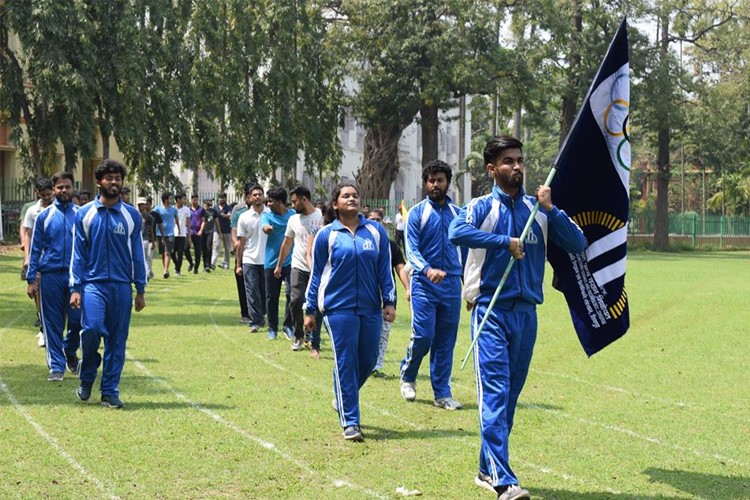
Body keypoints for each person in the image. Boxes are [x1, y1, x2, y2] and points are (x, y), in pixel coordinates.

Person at [449, 136, 586, 500]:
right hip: (490, 313)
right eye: (508, 161)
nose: (517, 167)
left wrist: (552, 209)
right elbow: (456, 232)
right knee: (494, 395)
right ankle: (504, 481)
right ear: (492, 169)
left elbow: (578, 242)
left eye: (520, 160)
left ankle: (485, 467)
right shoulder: (479, 206)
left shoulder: (538, 208)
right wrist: (504, 242)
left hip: (527, 317)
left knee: (507, 401)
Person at [304, 182, 396, 442]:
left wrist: (389, 301)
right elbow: (317, 275)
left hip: (370, 308)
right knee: (346, 361)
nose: (352, 199)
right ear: (335, 204)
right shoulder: (326, 235)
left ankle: (343, 397)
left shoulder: (375, 232)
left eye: (355, 195)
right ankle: (351, 422)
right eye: (346, 196)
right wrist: (311, 309)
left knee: (368, 359)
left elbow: (384, 270)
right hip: (337, 308)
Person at [70, 159, 147, 409]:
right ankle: (87, 374)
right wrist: (75, 288)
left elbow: (137, 254)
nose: (114, 182)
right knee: (91, 329)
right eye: (109, 178)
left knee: (117, 340)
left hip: (122, 287)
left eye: (118, 178)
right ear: (99, 182)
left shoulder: (131, 216)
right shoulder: (84, 214)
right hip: (93, 285)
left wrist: (140, 289)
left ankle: (110, 391)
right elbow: (78, 254)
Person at [399, 160, 464, 411]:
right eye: (431, 180)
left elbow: (467, 251)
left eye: (440, 180)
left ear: (448, 182)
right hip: (423, 285)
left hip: (451, 287)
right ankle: (408, 376)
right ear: (425, 183)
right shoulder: (416, 213)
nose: (435, 184)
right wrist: (427, 269)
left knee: (446, 341)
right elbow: (411, 250)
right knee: (424, 335)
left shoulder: (459, 215)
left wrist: (469, 287)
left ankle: (442, 393)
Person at [26, 171, 81, 381]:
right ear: (54, 189)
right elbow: (35, 249)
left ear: (72, 188)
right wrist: (32, 279)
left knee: (78, 321)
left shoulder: (81, 214)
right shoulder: (43, 217)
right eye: (60, 187)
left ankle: (69, 351)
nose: (64, 190)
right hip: (50, 276)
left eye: (67, 187)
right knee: (52, 322)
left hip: (75, 277)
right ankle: (56, 367)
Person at [274, 186, 323, 355]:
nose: (292, 205)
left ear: (304, 199)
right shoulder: (293, 220)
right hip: (299, 266)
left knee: (316, 304)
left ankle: (313, 337)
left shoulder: (321, 217)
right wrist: (279, 265)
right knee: (295, 299)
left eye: (295, 201)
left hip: (318, 267)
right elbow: (287, 243)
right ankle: (298, 335)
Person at [366, 209, 410, 378]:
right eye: (372, 219)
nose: (376, 222)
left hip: (387, 295)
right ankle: (363, 363)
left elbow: (400, 267)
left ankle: (376, 366)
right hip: (366, 293)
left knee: (384, 332)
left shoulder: (390, 245)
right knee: (367, 331)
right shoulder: (360, 241)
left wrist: (407, 288)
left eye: (378, 219)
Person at [22, 178, 55, 347]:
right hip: (38, 259)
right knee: (37, 294)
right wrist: (27, 257)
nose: (47, 197)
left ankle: (54, 330)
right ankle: (43, 328)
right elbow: (27, 234)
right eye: (43, 195)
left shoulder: (60, 208)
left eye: (49, 194)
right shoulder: (32, 211)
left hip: (56, 259)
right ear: (37, 193)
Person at [261, 187, 295, 342]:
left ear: (280, 202)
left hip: (291, 261)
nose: (268, 203)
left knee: (291, 294)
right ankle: (272, 328)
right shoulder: (267, 216)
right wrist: (267, 228)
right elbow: (264, 226)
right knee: (271, 297)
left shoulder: (293, 216)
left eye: (271, 201)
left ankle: (288, 325)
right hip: (271, 262)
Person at [236, 185, 269, 332]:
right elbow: (241, 243)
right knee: (252, 291)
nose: (257, 197)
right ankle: (255, 321)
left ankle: (262, 315)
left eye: (260, 194)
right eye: (254, 195)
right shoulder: (244, 217)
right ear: (249, 198)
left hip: (267, 260)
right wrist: (238, 264)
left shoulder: (270, 214)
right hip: (249, 259)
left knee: (266, 293)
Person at [230, 187, 251, 323]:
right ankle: (245, 313)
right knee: (242, 283)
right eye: (251, 194)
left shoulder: (265, 211)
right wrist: (235, 242)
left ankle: (258, 311)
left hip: (258, 253)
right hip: (242, 252)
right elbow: (233, 229)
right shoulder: (238, 211)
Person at [154, 192, 179, 278]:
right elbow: (151, 215)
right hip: (160, 234)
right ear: (165, 199)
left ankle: (166, 270)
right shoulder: (157, 209)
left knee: (167, 252)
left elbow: (176, 219)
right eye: (170, 198)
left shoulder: (173, 210)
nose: (171, 200)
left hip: (170, 234)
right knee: (162, 253)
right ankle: (165, 268)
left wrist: (178, 228)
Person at [174, 193, 193, 276]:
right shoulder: (172, 209)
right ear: (178, 199)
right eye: (183, 199)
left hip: (182, 233)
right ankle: (177, 264)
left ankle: (178, 270)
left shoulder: (186, 210)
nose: (184, 200)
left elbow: (188, 223)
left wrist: (189, 236)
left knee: (181, 252)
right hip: (173, 233)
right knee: (171, 252)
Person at [137, 198, 155, 280]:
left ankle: (147, 274)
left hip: (145, 239)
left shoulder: (149, 217)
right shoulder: (135, 215)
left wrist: (153, 242)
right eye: (140, 204)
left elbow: (151, 230)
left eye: (143, 204)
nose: (141, 206)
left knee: (146, 257)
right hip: (136, 239)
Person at [199, 198, 218, 273]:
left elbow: (217, 222)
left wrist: (219, 232)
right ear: (205, 202)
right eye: (209, 201)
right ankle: (205, 265)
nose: (211, 202)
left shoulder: (213, 211)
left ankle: (208, 265)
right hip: (202, 232)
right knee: (203, 249)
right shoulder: (202, 211)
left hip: (210, 232)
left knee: (208, 248)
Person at [214, 193, 233, 269]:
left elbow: (229, 216)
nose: (221, 199)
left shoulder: (229, 207)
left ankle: (226, 264)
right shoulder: (215, 208)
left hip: (227, 230)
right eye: (220, 198)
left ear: (225, 198)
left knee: (227, 248)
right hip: (217, 231)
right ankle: (213, 263)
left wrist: (221, 214)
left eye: (223, 198)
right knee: (216, 247)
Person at [189, 194, 204, 274]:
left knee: (198, 251)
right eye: (194, 200)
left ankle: (196, 268)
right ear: (191, 200)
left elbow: (204, 221)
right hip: (189, 232)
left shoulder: (201, 210)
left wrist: (201, 230)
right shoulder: (188, 210)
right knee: (185, 248)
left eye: (196, 200)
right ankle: (191, 263)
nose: (195, 201)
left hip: (198, 233)